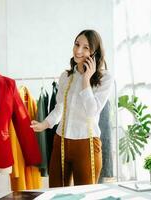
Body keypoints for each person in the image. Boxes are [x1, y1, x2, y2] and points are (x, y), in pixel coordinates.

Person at [30, 30, 113, 187]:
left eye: (86, 47)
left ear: (95, 52)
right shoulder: (66, 76)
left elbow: (92, 111)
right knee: (56, 193)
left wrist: (86, 80)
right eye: (76, 44)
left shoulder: (105, 78)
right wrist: (44, 124)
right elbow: (59, 108)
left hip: (86, 144)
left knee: (85, 196)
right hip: (60, 140)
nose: (78, 50)